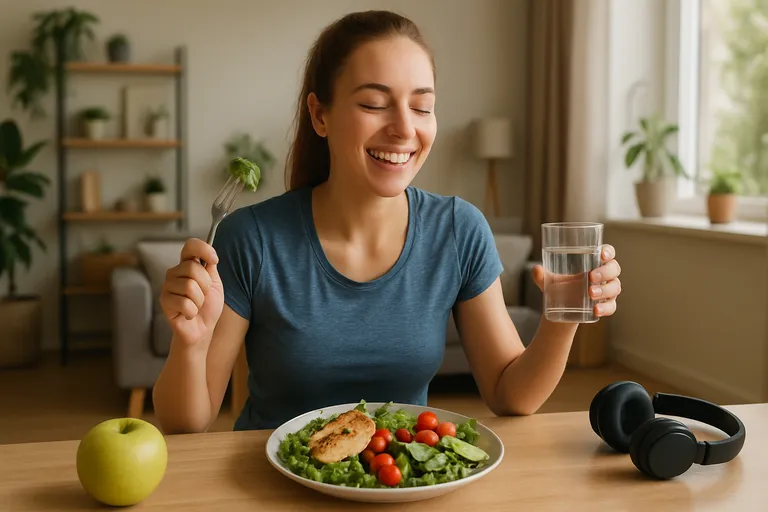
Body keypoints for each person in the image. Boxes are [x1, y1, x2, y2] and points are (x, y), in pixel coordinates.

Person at [151, 10, 623, 434]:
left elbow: (510, 394)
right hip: (271, 485)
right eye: (375, 104)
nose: (404, 128)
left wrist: (563, 318)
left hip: (398, 482)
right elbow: (186, 420)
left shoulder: (458, 230)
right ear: (320, 115)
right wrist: (189, 345)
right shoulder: (250, 238)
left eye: (421, 106)